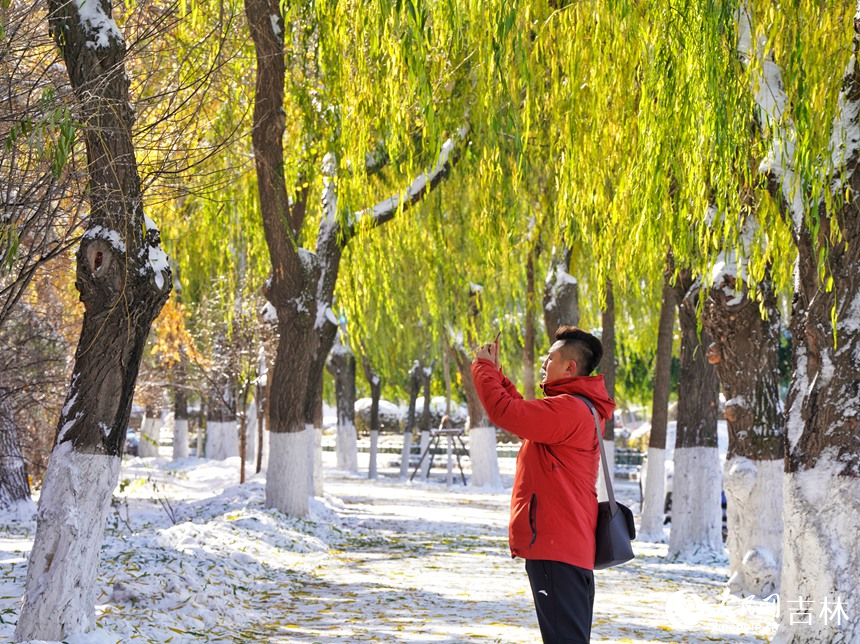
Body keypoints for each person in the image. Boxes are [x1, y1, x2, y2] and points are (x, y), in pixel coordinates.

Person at [471, 325, 615, 644]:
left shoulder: (570, 409)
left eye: (549, 358)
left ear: (569, 366)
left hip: (556, 546)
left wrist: (482, 366)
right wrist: (498, 376)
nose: (542, 363)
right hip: (564, 545)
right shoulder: (576, 408)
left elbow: (505, 412)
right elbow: (523, 417)